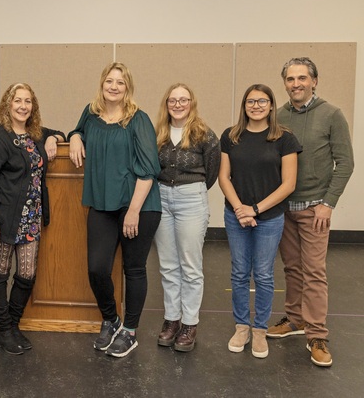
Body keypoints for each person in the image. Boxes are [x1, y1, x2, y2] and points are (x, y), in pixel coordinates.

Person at [69, 62, 161, 358]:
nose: (114, 86)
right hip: (101, 203)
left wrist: (133, 211)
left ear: (127, 88)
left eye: (120, 82)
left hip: (138, 204)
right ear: (102, 84)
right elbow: (78, 129)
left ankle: (130, 332)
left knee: (134, 269)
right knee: (97, 268)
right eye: (109, 81)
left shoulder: (138, 119)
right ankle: (111, 319)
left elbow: (149, 169)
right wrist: (74, 136)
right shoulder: (91, 114)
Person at [267, 57, 354, 367]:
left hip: (315, 209)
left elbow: (345, 163)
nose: (296, 84)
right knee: (291, 267)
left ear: (314, 81)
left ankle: (317, 333)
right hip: (284, 209)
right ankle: (295, 319)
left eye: (302, 78)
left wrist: (327, 203)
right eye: (290, 79)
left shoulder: (331, 114)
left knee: (314, 272)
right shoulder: (278, 116)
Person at [218, 84, 301, 359]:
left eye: (262, 101)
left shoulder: (284, 138)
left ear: (271, 105)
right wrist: (240, 209)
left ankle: (260, 330)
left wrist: (255, 209)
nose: (256, 105)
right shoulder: (231, 136)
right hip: (236, 216)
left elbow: (288, 184)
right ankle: (242, 326)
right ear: (244, 106)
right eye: (250, 101)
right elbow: (223, 177)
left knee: (264, 275)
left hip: (269, 218)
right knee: (240, 273)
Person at [0, 82, 64, 355]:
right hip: (5, 217)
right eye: (17, 100)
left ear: (33, 106)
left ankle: (13, 324)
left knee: (26, 275)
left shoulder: (35, 134)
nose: (22, 106)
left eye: (28, 101)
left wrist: (53, 139)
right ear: (8, 104)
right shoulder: (0, 136)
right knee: (0, 273)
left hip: (31, 218)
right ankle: (3, 329)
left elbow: (59, 132)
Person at [153, 83, 220, 352]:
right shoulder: (157, 132)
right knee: (168, 266)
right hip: (160, 197)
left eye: (184, 100)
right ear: (166, 103)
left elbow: (212, 173)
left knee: (190, 266)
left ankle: (190, 324)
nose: (178, 104)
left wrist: (190, 190)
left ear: (192, 102)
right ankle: (172, 320)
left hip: (191, 198)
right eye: (173, 100)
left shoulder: (205, 134)